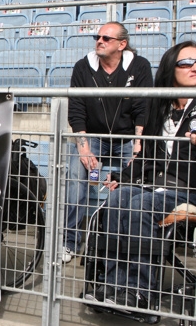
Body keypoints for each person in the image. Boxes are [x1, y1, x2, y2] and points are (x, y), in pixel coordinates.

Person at [85, 41, 196, 309]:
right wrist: (122, 177)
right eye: (186, 63)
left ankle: (139, 291)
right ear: (172, 69)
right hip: (155, 186)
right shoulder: (161, 110)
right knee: (118, 199)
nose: (194, 67)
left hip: (188, 189)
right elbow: (145, 155)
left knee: (140, 204)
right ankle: (112, 286)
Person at [64, 22, 153, 264]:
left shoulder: (139, 66)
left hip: (126, 137)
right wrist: (83, 149)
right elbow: (77, 110)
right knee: (74, 174)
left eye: (106, 38)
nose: (99, 41)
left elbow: (143, 108)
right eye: (97, 36)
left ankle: (123, 244)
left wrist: (138, 145)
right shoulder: (84, 66)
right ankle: (69, 242)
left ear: (122, 44)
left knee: (135, 178)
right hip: (93, 135)